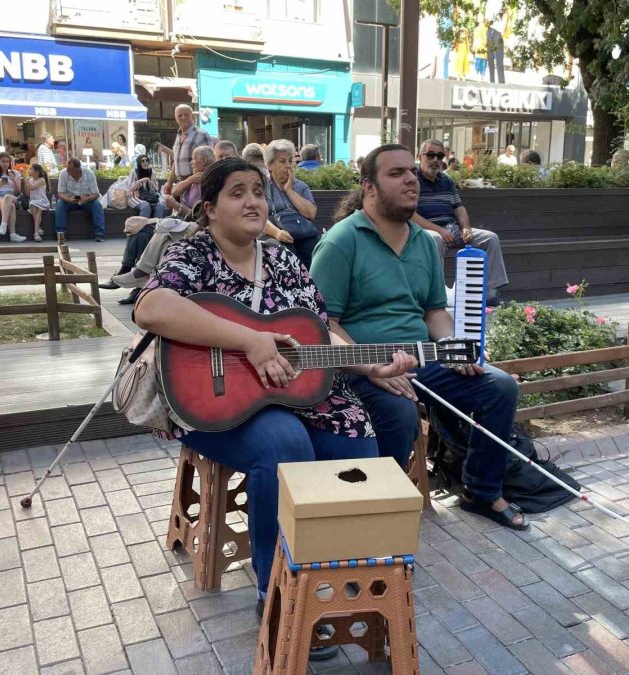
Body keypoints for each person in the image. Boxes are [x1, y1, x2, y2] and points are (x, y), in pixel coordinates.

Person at [133, 157, 414, 633]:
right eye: (237, 192)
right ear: (210, 208)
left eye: (258, 192)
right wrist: (249, 340)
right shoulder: (192, 253)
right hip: (214, 402)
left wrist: (367, 362)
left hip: (292, 394)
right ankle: (277, 591)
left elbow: (321, 328)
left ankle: (340, 572)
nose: (252, 201)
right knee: (286, 447)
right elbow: (150, 307)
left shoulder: (283, 259)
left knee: (358, 443)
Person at [310, 144, 528, 531]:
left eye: (412, 171)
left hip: (422, 358)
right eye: (396, 173)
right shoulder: (341, 242)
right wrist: (371, 367)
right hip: (360, 367)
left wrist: (454, 348)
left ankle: (480, 490)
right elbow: (323, 324)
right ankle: (376, 516)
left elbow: (434, 311)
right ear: (369, 188)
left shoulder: (425, 243)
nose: (411, 178)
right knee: (398, 413)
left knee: (498, 387)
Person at [413, 139, 509, 304]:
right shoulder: (412, 179)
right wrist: (439, 230)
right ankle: (437, 296)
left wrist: (466, 227)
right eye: (430, 155)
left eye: (440, 155)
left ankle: (490, 294)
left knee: (490, 238)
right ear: (420, 156)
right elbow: (410, 215)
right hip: (425, 230)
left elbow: (459, 208)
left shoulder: (446, 180)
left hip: (452, 229)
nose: (436, 160)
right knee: (435, 239)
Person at [265, 139, 319, 269]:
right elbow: (258, 216)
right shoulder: (262, 186)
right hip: (274, 232)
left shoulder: (300, 186)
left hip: (302, 233)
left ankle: (312, 287)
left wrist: (289, 190)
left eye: (290, 161)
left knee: (315, 250)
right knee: (284, 251)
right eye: (282, 161)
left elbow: (311, 214)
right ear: (270, 165)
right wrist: (277, 232)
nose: (288, 166)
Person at [55, 158, 106, 242]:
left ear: (77, 169)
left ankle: (99, 234)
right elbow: (60, 193)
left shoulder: (89, 173)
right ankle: (61, 234)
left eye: (70, 169)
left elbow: (96, 193)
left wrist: (87, 199)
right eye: (67, 168)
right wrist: (69, 200)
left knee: (96, 205)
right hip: (69, 200)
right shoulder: (63, 173)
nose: (67, 171)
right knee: (60, 205)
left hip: (86, 200)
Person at [165, 104, 212, 180]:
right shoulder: (178, 136)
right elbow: (177, 161)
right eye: (180, 115)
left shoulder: (201, 134)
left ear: (192, 117)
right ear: (176, 118)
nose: (183, 117)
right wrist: (169, 182)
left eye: (186, 115)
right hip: (181, 182)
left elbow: (210, 162)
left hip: (197, 182)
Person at [166, 145, 214, 213]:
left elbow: (199, 217)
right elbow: (174, 192)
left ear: (203, 161)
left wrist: (176, 206)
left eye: (193, 159)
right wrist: (190, 180)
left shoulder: (209, 182)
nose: (191, 163)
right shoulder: (195, 177)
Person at [0, 152, 25, 242]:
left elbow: (18, 192)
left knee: (8, 197)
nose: (5, 164)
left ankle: (3, 225)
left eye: (7, 161)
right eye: (2, 161)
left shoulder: (15, 173)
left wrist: (13, 179)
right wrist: (0, 184)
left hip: (13, 197)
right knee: (11, 206)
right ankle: (13, 235)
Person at [129, 154, 165, 219]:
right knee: (146, 206)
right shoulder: (134, 172)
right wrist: (140, 181)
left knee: (160, 206)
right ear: (139, 163)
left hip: (150, 196)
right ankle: (141, 228)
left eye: (147, 160)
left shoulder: (152, 172)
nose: (145, 162)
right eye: (142, 161)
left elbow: (156, 190)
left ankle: (156, 227)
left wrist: (151, 183)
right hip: (136, 196)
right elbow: (130, 189)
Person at [23, 163, 50, 242]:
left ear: (37, 172)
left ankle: (36, 232)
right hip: (33, 201)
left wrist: (24, 178)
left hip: (42, 200)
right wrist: (26, 182)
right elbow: (28, 193)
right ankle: (37, 230)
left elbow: (32, 188)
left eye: (31, 169)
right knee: (33, 205)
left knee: (36, 207)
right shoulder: (30, 180)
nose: (29, 170)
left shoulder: (42, 180)